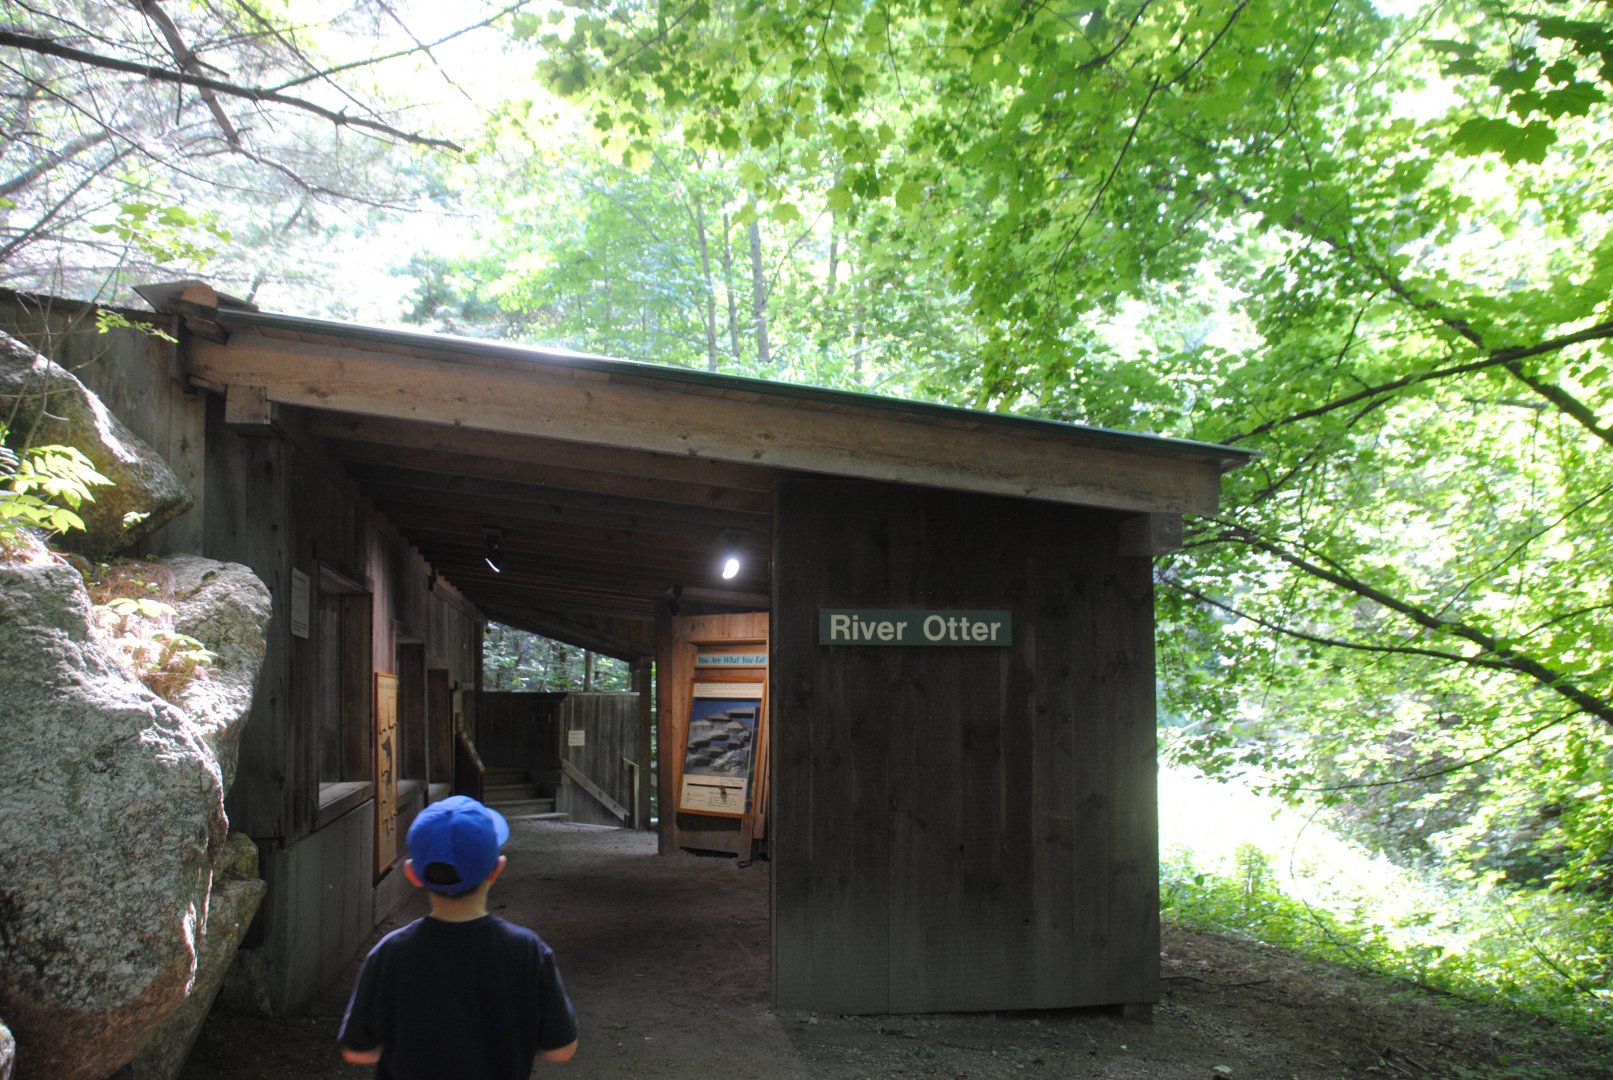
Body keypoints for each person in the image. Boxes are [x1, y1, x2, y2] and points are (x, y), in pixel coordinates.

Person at [338, 795, 578, 1077]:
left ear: (413, 875)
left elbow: (357, 1050)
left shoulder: (390, 953)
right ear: (496, 869)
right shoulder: (527, 951)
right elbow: (561, 1049)